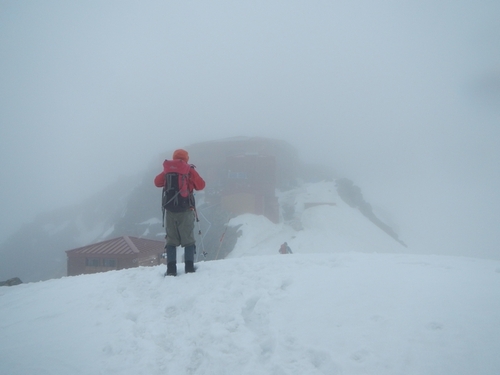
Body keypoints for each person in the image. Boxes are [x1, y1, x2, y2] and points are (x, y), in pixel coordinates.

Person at [154, 149, 205, 276]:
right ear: (186, 158)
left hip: (170, 210)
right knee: (188, 239)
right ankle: (189, 267)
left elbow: (157, 182)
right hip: (186, 209)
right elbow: (201, 185)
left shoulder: (168, 170)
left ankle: (171, 269)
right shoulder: (188, 170)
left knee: (171, 239)